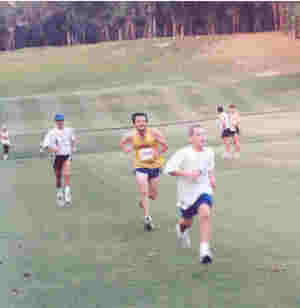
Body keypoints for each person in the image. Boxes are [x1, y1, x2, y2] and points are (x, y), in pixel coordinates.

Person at [164, 125, 216, 264]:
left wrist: (212, 179)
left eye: (204, 134)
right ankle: (181, 230)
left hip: (203, 190)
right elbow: (169, 169)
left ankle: (204, 250)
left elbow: (210, 167)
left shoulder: (209, 151)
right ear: (190, 138)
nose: (202, 137)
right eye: (198, 134)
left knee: (205, 213)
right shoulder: (183, 153)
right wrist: (187, 174)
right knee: (186, 222)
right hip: (186, 194)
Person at [120, 112, 168, 231]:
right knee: (144, 191)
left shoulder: (154, 133)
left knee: (153, 195)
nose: (141, 123)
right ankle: (147, 218)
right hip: (140, 165)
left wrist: (158, 152)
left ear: (146, 122)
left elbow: (165, 146)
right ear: (134, 124)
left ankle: (143, 201)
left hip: (154, 165)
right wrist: (127, 149)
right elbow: (122, 143)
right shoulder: (130, 135)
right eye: (138, 122)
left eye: (143, 121)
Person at [43, 114, 77, 207]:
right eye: (58, 121)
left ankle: (67, 195)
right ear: (55, 122)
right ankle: (59, 194)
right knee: (58, 176)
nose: (60, 122)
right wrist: (53, 149)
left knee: (67, 174)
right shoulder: (51, 133)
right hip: (57, 157)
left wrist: (73, 147)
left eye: (61, 120)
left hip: (67, 155)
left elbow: (73, 139)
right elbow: (45, 146)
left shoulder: (69, 130)